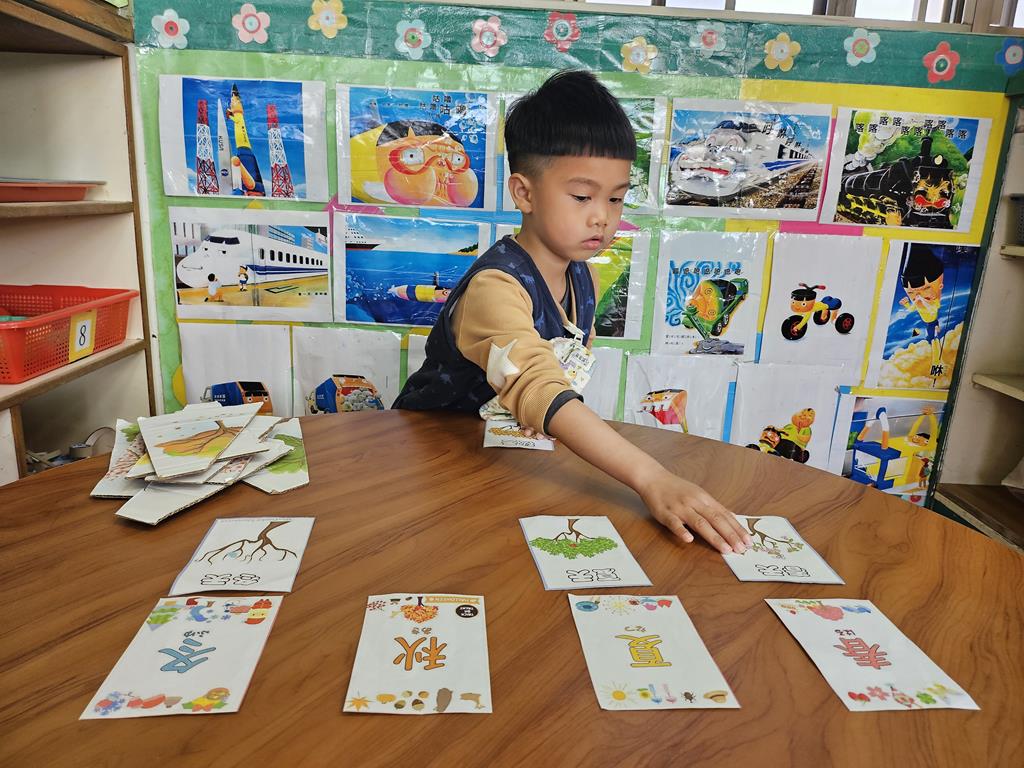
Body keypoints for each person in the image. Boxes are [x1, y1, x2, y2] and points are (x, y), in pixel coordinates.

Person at [394, 70, 750, 555]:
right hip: (432, 463)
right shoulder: (495, 288)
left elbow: (561, 373)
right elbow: (538, 385)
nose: (602, 215)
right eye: (582, 196)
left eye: (616, 198)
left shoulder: (585, 279)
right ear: (524, 193)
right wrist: (653, 478)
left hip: (501, 460)